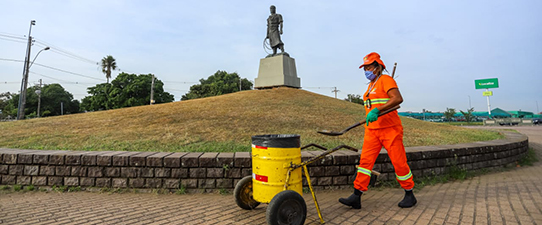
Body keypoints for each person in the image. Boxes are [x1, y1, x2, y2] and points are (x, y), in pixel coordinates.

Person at [339, 52, 417, 209]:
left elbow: (397, 99)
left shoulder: (386, 80)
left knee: (399, 162)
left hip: (390, 130)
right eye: (365, 68)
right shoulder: (370, 86)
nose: (366, 71)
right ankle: (356, 195)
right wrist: (372, 113)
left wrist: (377, 111)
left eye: (369, 67)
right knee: (364, 163)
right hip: (372, 130)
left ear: (378, 67)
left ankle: (409, 193)